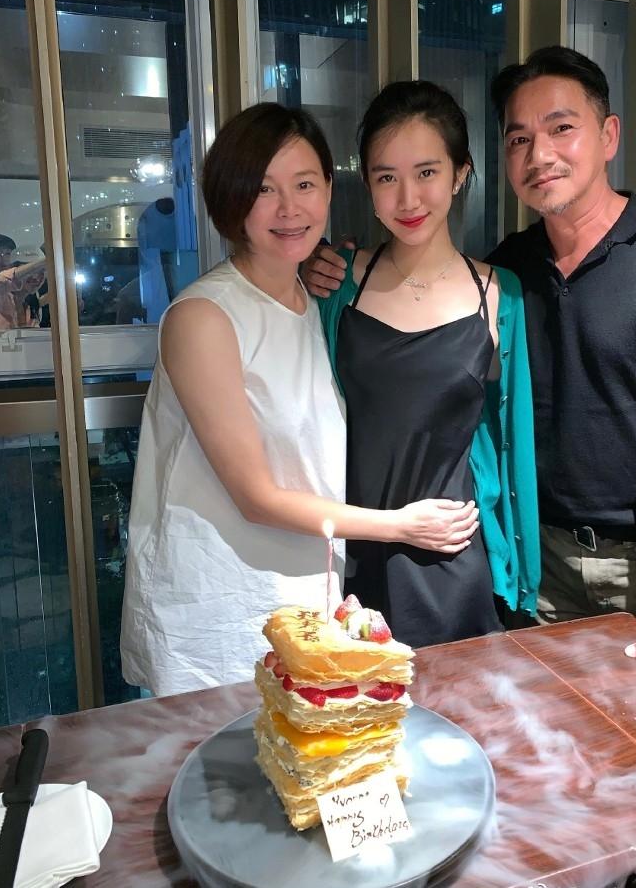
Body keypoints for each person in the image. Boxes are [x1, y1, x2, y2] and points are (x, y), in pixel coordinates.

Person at [305, 49, 636, 704]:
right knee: (540, 739)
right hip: (537, 561)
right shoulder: (509, 270)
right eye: (519, 138)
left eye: (561, 128)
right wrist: (322, 266)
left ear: (609, 135)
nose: (539, 153)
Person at [120, 103, 478, 698]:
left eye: (305, 185)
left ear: (330, 190)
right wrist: (399, 525)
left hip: (301, 601)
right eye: (263, 189)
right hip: (214, 611)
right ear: (230, 199)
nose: (289, 209)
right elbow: (256, 497)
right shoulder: (204, 316)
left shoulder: (313, 305)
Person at [311, 80, 540, 649]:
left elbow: (513, 444)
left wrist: (521, 576)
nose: (408, 199)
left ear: (461, 173)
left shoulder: (500, 294)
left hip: (451, 554)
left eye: (427, 172)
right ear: (367, 184)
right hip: (352, 553)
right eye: (387, 177)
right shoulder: (338, 283)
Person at [0, 234, 45, 330]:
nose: (35, 278)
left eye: (7, 254)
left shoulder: (31, 303)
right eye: (29, 272)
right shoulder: (0, 292)